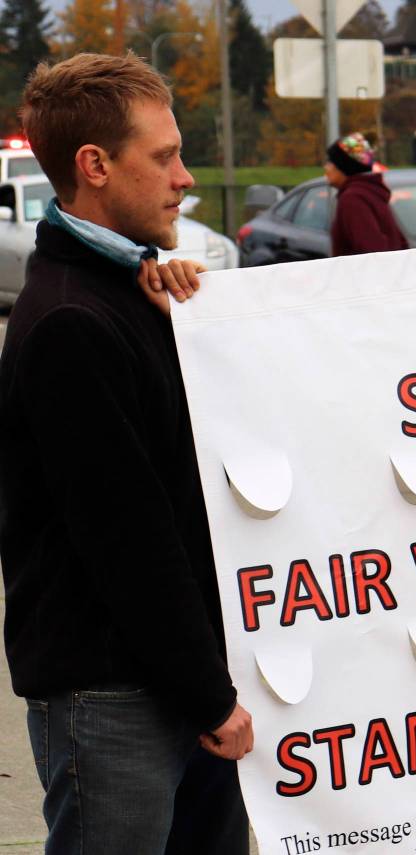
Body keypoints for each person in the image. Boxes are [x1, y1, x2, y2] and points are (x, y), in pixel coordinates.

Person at [0, 53, 253, 855]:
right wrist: (211, 698)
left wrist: (182, 315)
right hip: (115, 694)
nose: (185, 178)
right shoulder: (73, 322)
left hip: (166, 678)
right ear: (95, 165)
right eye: (165, 156)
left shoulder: (125, 292)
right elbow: (130, 538)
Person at [325, 132, 408, 256]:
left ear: (343, 166)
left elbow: (371, 251)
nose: (326, 167)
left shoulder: (353, 199)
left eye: (330, 162)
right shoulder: (371, 192)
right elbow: (400, 242)